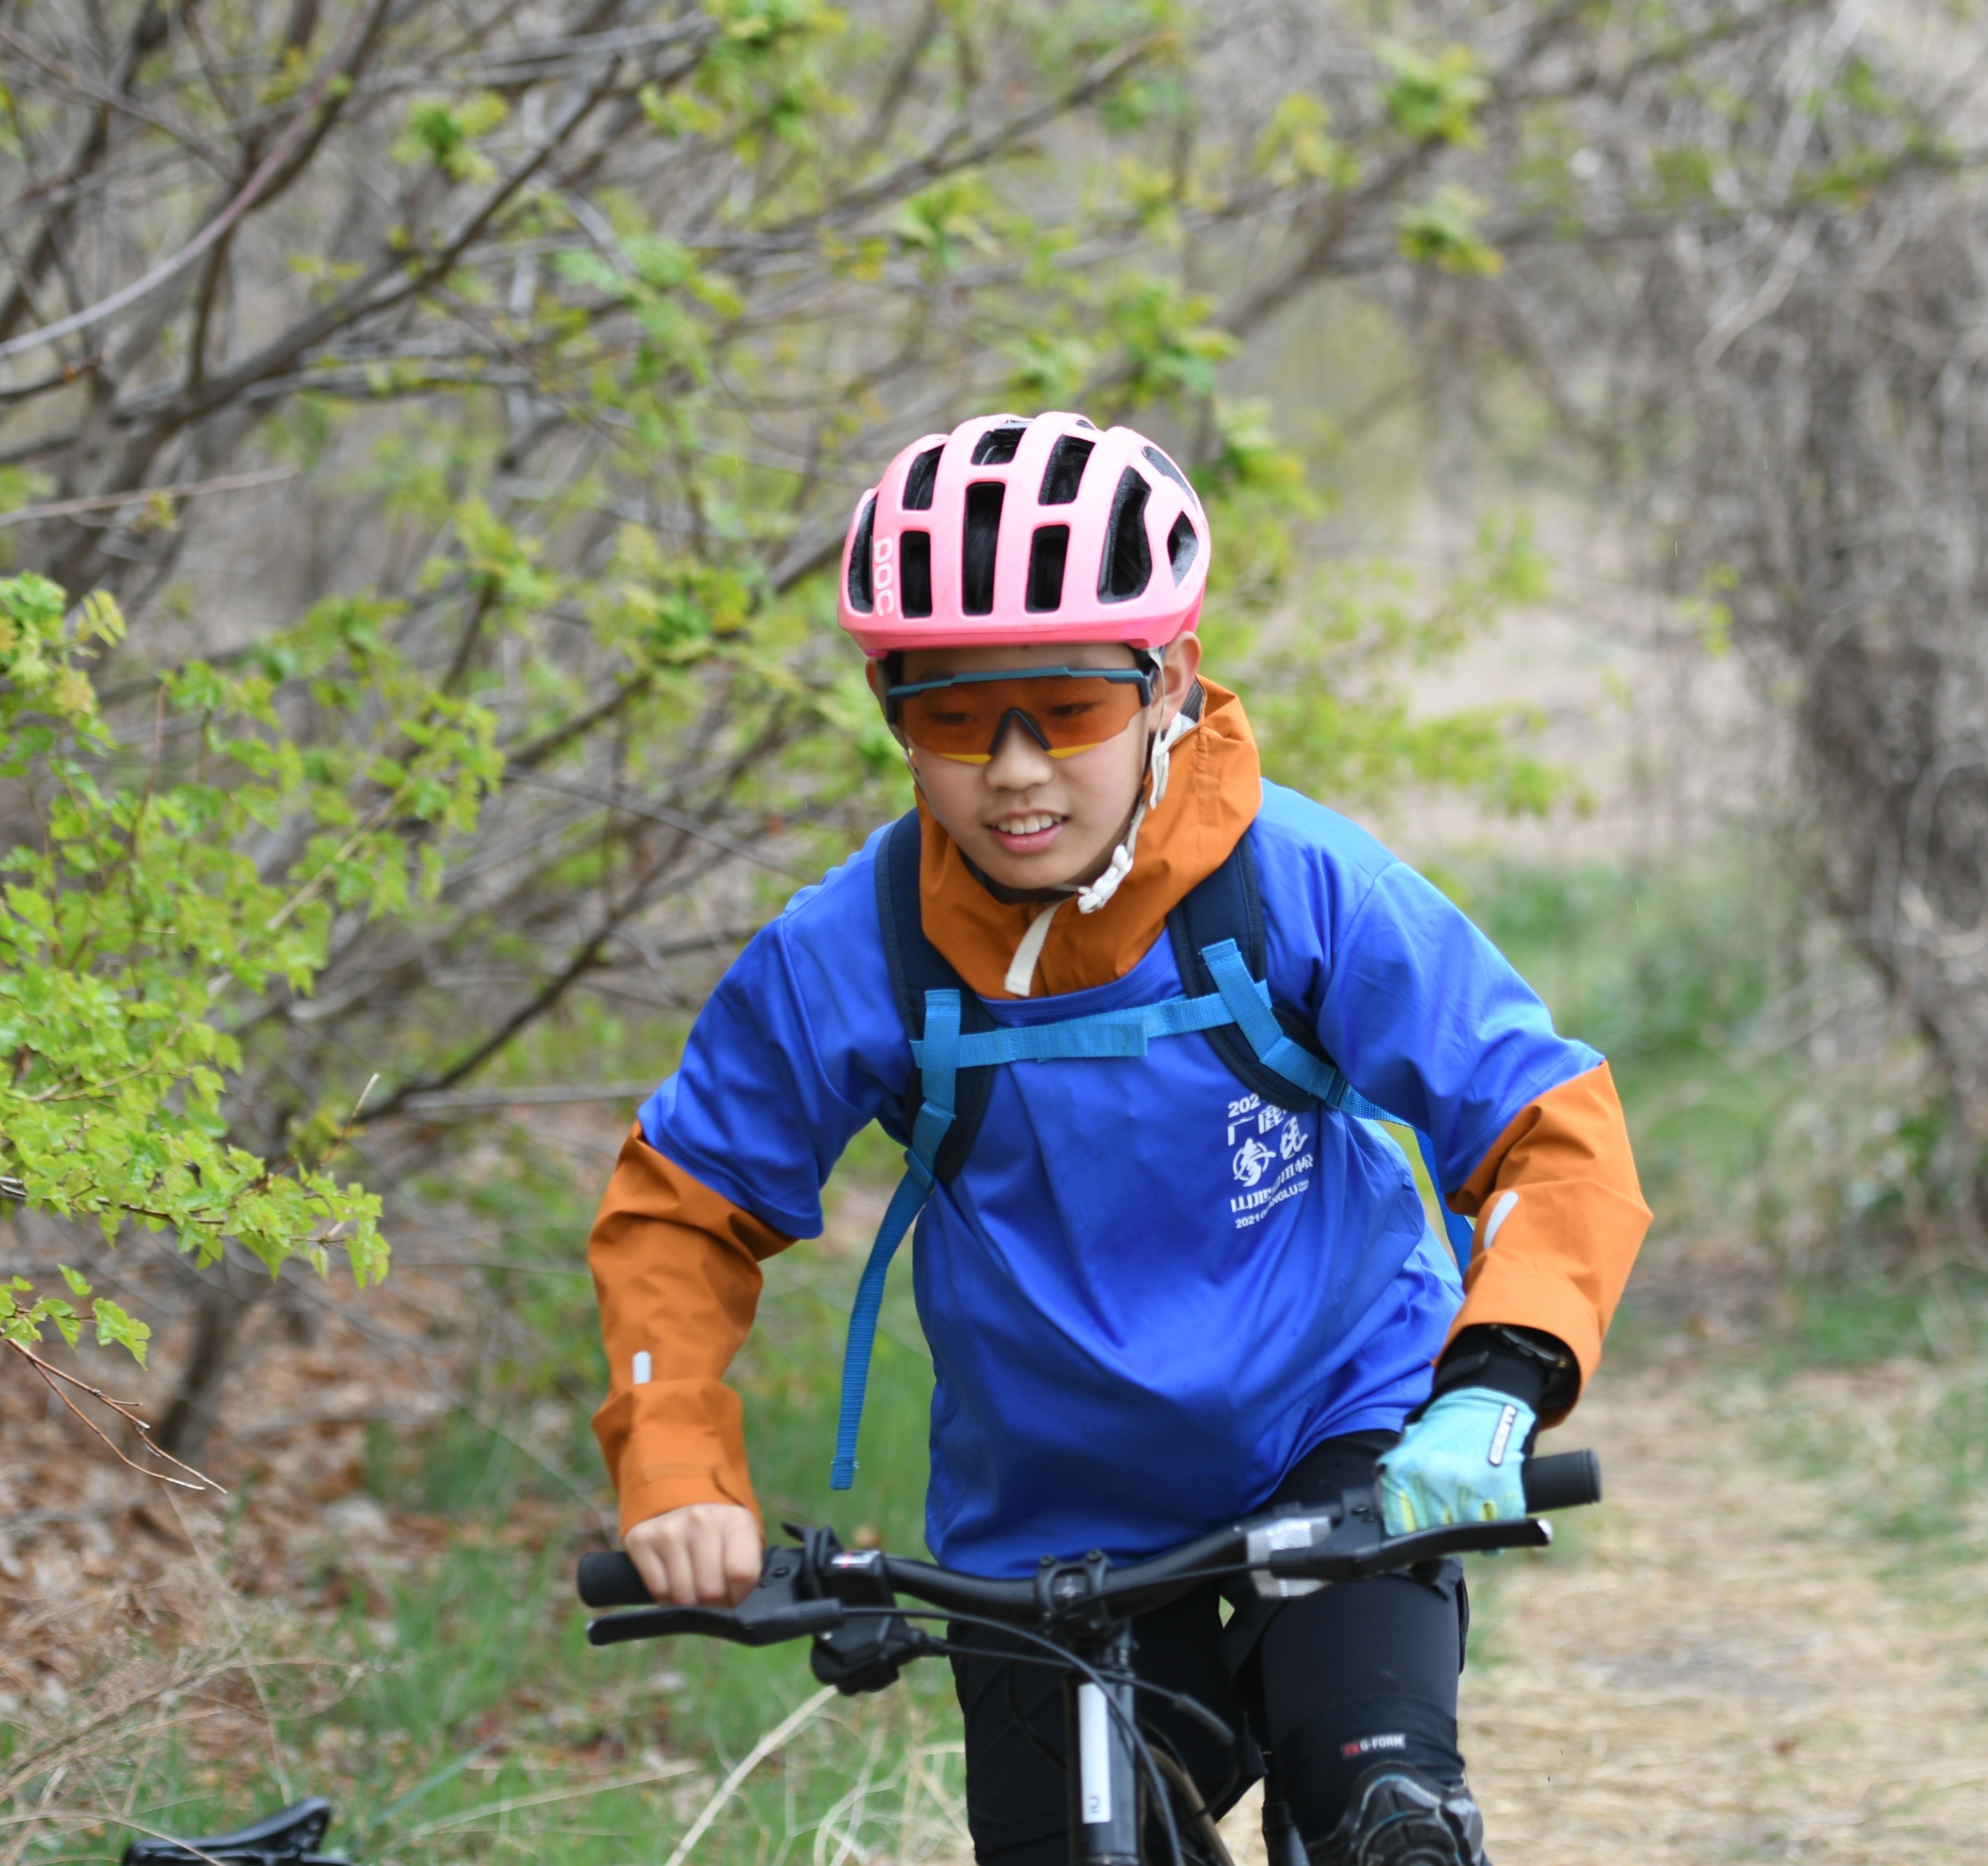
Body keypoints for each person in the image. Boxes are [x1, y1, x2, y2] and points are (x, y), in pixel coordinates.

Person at [586, 412, 1648, 1866]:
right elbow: (680, 1209)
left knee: (1384, 1821)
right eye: (955, 717)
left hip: (1337, 1431)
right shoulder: (855, 948)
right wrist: (674, 1460)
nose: (1014, 770)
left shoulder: (1295, 887)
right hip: (1050, 1515)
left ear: (1170, 683)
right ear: (890, 708)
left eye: (1069, 709)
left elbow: (1545, 1122)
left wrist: (1496, 1384)